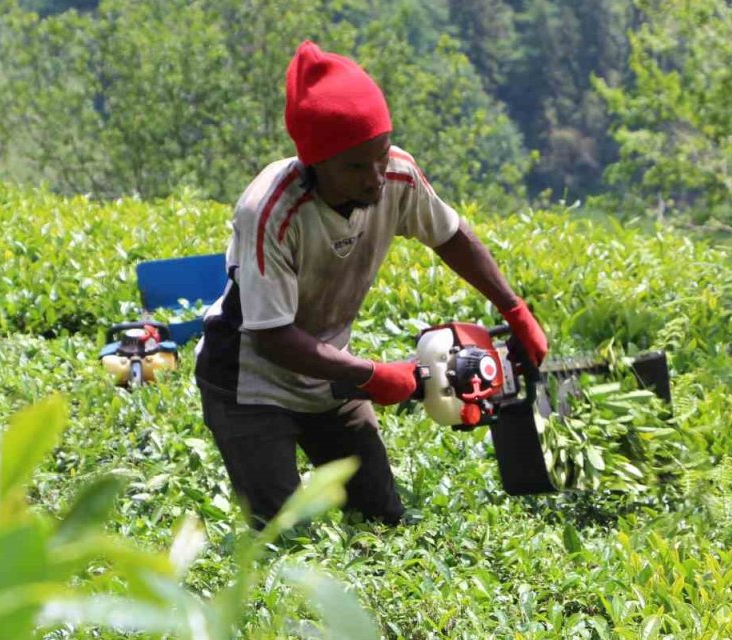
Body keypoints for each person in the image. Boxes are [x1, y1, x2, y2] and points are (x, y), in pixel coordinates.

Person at [195, 41, 549, 528]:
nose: (376, 178)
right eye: (356, 167)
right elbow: (271, 335)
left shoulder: (396, 174)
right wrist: (373, 375)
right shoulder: (272, 212)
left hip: (330, 376)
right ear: (316, 163)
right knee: (281, 534)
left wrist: (515, 309)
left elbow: (450, 236)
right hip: (249, 383)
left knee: (380, 517)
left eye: (380, 155)